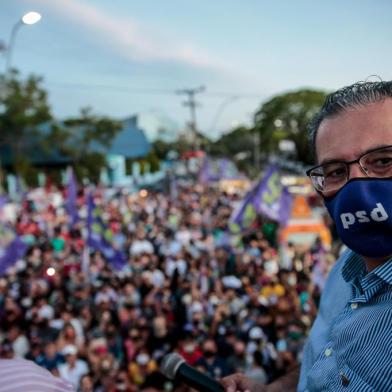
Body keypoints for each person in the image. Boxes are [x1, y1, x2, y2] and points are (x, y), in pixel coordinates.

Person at [222, 80, 392, 391]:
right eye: (335, 171)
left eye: (383, 161)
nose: (357, 185)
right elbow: (332, 358)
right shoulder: (343, 269)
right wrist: (277, 389)